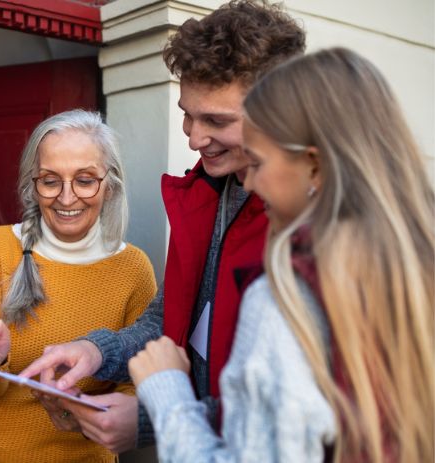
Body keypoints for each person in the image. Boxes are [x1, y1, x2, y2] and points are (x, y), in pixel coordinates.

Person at [20, 0, 304, 452]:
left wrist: (151, 418)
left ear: (278, 112)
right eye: (187, 113)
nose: (193, 137)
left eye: (216, 120)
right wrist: (97, 352)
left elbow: (288, 418)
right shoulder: (207, 191)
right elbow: (172, 320)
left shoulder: (306, 225)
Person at [129, 47, 435, 462]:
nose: (249, 183)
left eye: (257, 162)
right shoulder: (411, 266)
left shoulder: (284, 295)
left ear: (314, 167)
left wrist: (166, 392)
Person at [0, 109, 157, 463]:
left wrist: (84, 413)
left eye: (84, 180)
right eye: (50, 181)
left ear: (109, 185)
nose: (66, 198)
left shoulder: (134, 268)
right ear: (33, 186)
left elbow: (137, 383)